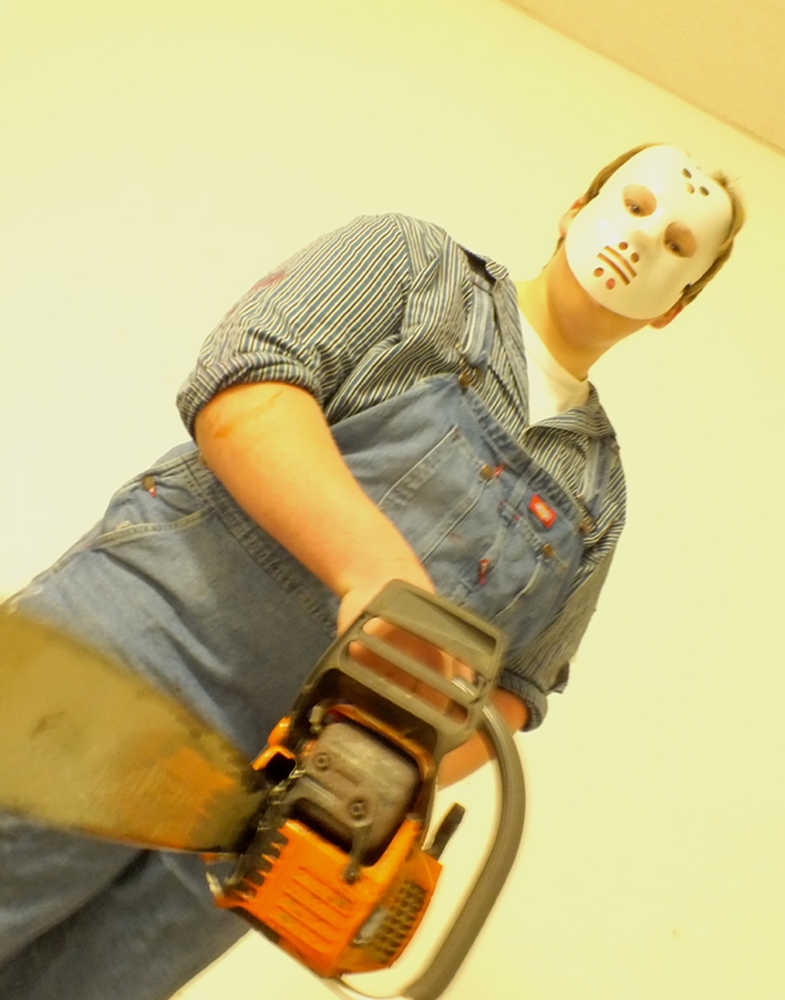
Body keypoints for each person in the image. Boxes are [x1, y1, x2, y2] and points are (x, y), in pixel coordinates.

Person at [0, 142, 744, 999]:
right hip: (124, 670)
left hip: (273, 817)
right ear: (575, 211)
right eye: (635, 206)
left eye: (678, 245)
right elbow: (245, 388)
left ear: (674, 308)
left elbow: (509, 693)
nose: (643, 239)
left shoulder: (596, 495)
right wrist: (376, 571)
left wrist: (370, 797)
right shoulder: (416, 268)